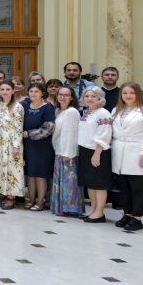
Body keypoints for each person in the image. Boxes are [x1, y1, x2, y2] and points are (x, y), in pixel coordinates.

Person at [110, 83, 143, 232]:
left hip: (138, 152)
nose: (127, 96)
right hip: (119, 151)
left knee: (137, 187)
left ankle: (137, 217)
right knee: (124, 187)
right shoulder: (116, 110)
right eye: (124, 93)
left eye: (131, 93)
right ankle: (127, 213)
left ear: (138, 94)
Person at [78, 88, 113, 223]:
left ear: (100, 98)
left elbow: (104, 134)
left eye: (93, 96)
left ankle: (99, 212)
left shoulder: (103, 113)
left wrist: (97, 153)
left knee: (99, 184)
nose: (90, 98)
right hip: (85, 150)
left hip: (98, 151)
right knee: (90, 184)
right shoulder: (87, 112)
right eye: (87, 96)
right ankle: (93, 210)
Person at [0, 82, 25, 209]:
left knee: (12, 169)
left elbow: (18, 127)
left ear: (13, 90)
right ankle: (4, 192)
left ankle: (12, 196)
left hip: (11, 141)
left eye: (7, 89)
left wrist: (16, 145)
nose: (4, 91)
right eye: (2, 89)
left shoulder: (17, 106)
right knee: (1, 167)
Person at [21, 82, 55, 211]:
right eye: (31, 91)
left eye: (36, 91)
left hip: (42, 146)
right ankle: (31, 200)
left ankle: (40, 202)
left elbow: (49, 128)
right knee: (30, 173)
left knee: (40, 174)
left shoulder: (47, 108)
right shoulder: (24, 106)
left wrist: (29, 134)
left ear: (42, 93)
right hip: (28, 145)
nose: (33, 94)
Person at [50, 86, 84, 217]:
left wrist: (68, 153)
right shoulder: (58, 110)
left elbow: (71, 134)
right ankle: (61, 207)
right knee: (61, 180)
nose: (63, 97)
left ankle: (70, 208)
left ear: (71, 98)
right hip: (59, 150)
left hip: (68, 152)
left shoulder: (72, 112)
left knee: (69, 182)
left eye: (66, 95)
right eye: (60, 94)